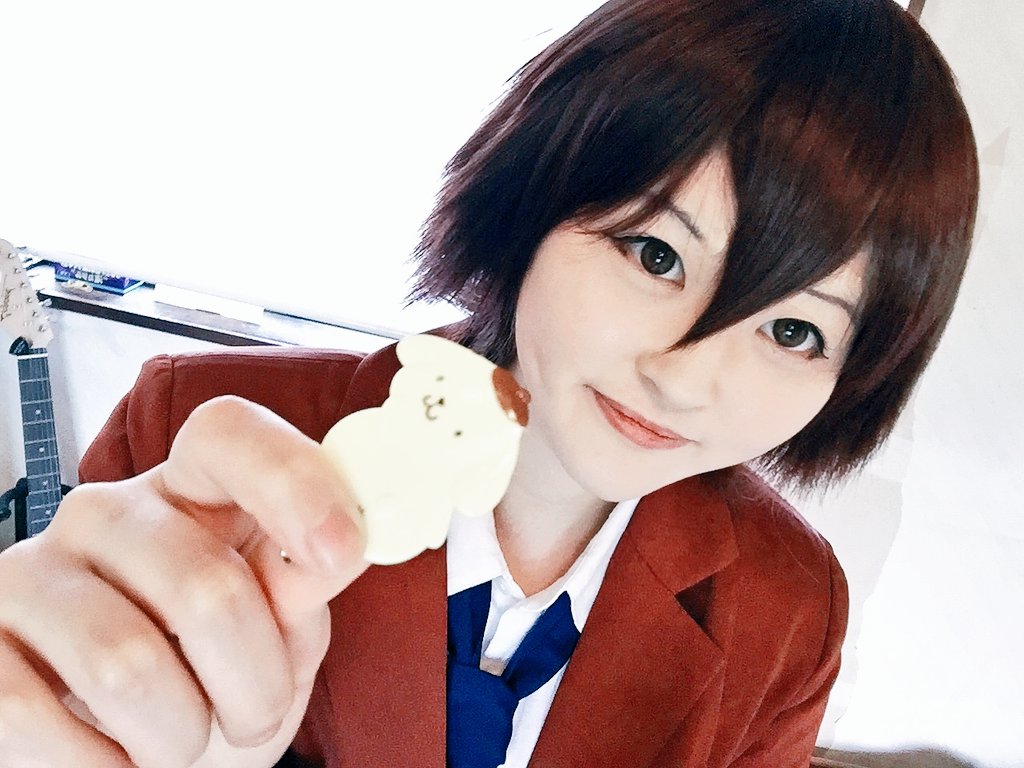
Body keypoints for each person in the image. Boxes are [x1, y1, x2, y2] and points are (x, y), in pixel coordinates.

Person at [0, 0, 978, 766]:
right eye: (656, 254)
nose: (686, 379)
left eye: (794, 330)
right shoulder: (201, 443)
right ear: (536, 194)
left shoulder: (788, 608)